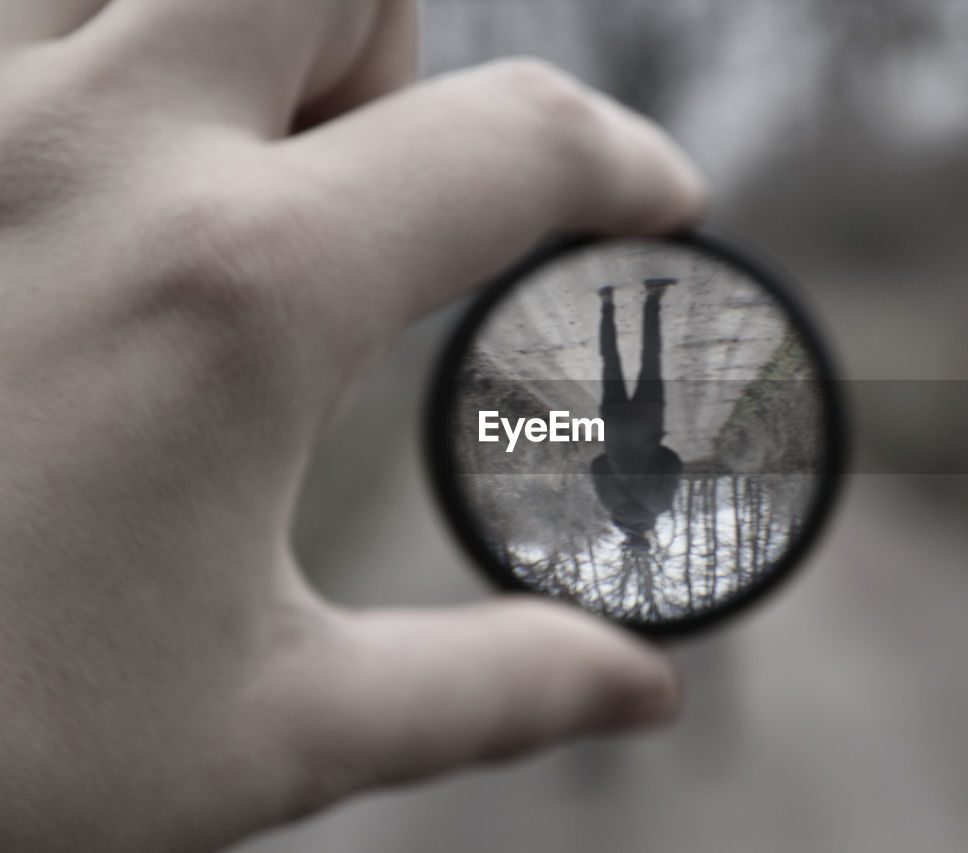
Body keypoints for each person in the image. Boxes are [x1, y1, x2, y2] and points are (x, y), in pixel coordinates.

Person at [0, 2, 706, 851]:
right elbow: (644, 459)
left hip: (625, 420)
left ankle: (626, 307)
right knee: (635, 364)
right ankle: (629, 308)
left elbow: (620, 463)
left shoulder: (633, 501)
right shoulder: (647, 500)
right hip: (635, 422)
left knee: (629, 362)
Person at [591, 280, 685, 552]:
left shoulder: (660, 505)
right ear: (626, 537)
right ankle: (606, 302)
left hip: (648, 418)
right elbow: (597, 465)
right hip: (614, 423)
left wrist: (654, 450)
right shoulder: (610, 504)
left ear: (646, 537)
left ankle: (653, 296)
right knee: (610, 361)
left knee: (651, 358)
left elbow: (673, 462)